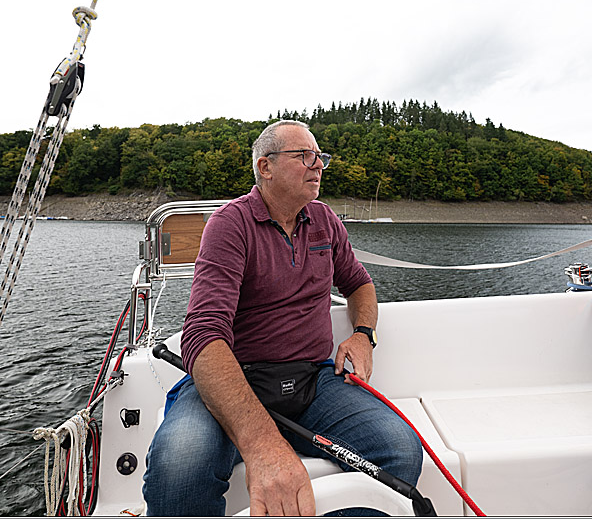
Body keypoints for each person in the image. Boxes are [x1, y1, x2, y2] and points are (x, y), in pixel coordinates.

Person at [142, 120, 423, 516]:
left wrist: (362, 334)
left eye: (320, 157)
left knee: (397, 450)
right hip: (235, 380)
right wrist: (262, 445)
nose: (319, 165)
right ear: (265, 166)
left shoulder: (325, 221)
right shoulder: (229, 225)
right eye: (305, 156)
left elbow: (360, 285)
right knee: (179, 469)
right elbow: (203, 335)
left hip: (312, 380)